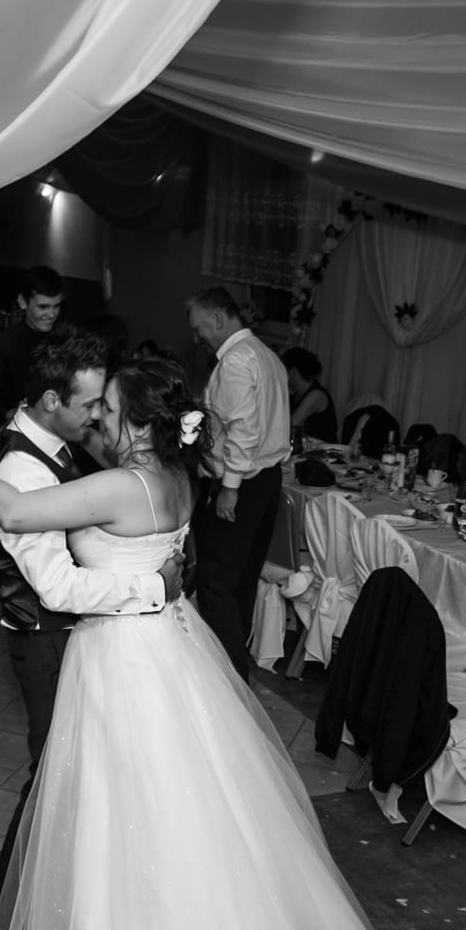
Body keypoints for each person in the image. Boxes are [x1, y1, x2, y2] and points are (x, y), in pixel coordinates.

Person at [0, 361, 374, 930]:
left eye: (108, 408)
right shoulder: (177, 477)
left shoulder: (120, 486)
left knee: (132, 799)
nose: (99, 418)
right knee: (192, 794)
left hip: (124, 652)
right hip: (172, 641)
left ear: (136, 421)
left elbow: (12, 511)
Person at [0, 334, 180, 930]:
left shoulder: (61, 448)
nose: (96, 418)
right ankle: (5, 923)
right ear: (52, 399)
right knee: (53, 781)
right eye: (92, 404)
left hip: (96, 635)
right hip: (53, 641)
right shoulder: (23, 468)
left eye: (106, 406)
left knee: (89, 782)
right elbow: (56, 585)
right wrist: (154, 586)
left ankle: (77, 912)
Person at [187, 286, 291, 683]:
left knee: (215, 581)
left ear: (217, 318)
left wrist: (229, 486)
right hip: (267, 480)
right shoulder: (267, 355)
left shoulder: (234, 361)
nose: (197, 337)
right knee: (242, 579)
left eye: (199, 328)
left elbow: (243, 429)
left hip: (241, 482)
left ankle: (229, 676)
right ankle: (234, 670)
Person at [0, 267, 65, 421]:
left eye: (56, 306)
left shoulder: (64, 339)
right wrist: (18, 413)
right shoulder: (3, 345)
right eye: (43, 307)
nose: (52, 314)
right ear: (22, 302)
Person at [281, 346, 339, 444]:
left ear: (293, 371)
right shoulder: (296, 394)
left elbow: (291, 424)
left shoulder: (316, 396)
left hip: (324, 450)